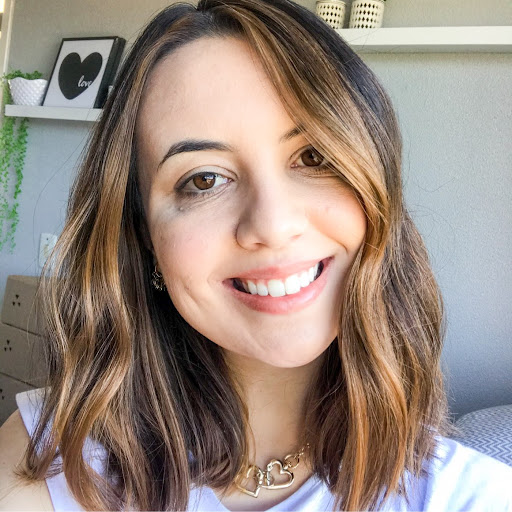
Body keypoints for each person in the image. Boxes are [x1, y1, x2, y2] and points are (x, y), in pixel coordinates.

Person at [1, 0, 511, 510]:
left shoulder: (471, 495)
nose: (273, 225)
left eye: (314, 156)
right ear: (145, 238)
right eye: (204, 179)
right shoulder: (46, 465)